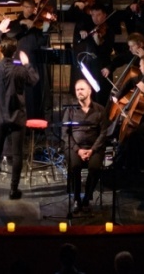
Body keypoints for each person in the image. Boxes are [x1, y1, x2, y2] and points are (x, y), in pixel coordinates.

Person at [0, 21, 39, 199]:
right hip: (17, 116)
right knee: (17, 154)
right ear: (14, 52)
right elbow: (34, 80)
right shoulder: (20, 70)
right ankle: (13, 189)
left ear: (1, 50)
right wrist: (27, 63)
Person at [62, 79, 106, 213]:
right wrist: (78, 150)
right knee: (75, 166)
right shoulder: (70, 110)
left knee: (95, 167)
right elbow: (65, 133)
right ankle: (76, 198)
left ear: (89, 91)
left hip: (94, 147)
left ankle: (87, 197)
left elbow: (104, 133)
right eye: (77, 90)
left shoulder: (100, 110)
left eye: (82, 89)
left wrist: (92, 150)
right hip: (75, 147)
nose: (79, 92)